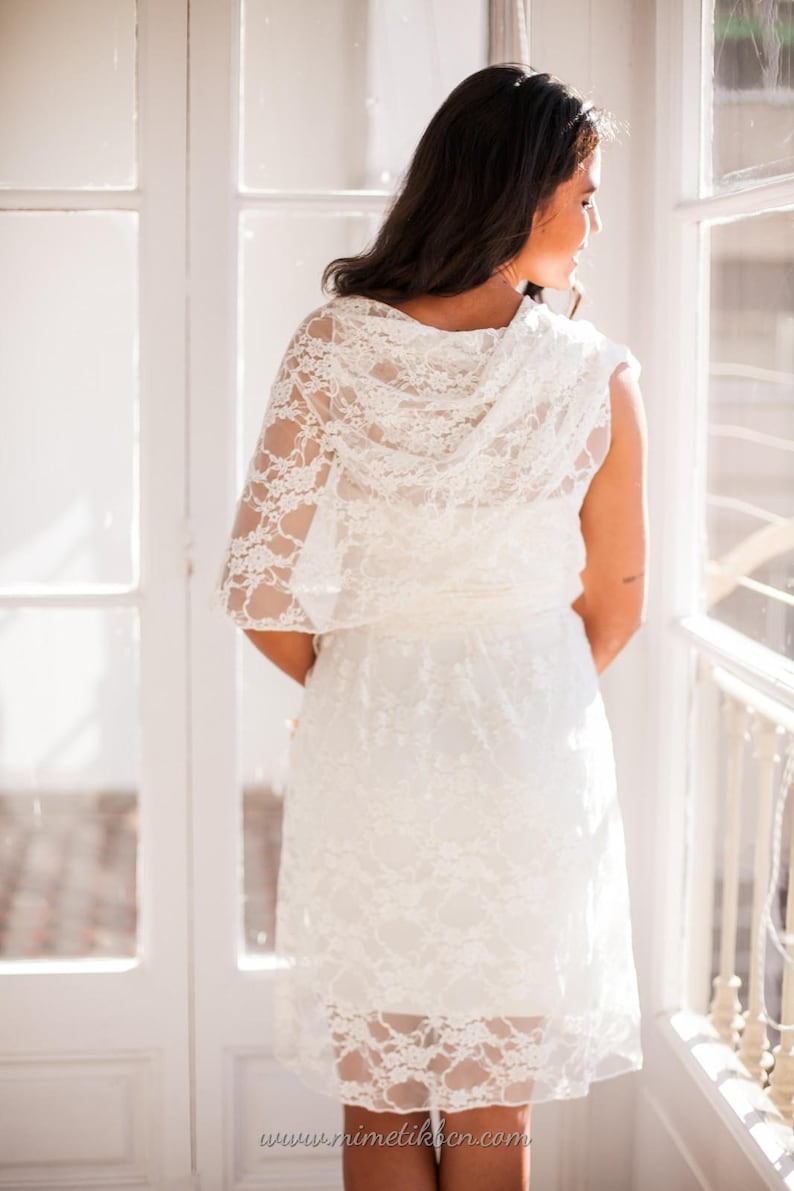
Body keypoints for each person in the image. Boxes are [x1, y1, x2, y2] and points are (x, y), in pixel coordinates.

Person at [213, 63, 647, 1191]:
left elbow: (256, 587)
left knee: (382, 1097)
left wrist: (362, 682)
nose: (593, 222)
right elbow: (618, 597)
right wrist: (527, 687)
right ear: (517, 197)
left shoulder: (331, 346)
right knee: (490, 1110)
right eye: (583, 195)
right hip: (527, 754)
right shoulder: (595, 376)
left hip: (373, 742)